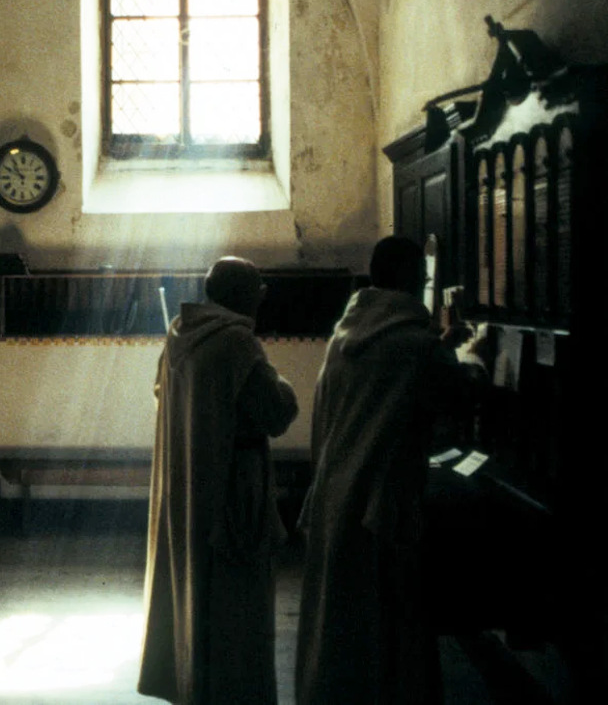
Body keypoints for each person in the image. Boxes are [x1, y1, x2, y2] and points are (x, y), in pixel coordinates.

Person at [295, 235, 487, 705]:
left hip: (335, 495)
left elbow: (386, 379)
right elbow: (461, 393)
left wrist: (437, 345)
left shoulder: (346, 336)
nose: (423, 287)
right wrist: (474, 355)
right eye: (421, 280)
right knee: (387, 632)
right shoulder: (413, 345)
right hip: (379, 507)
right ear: (404, 281)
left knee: (339, 624)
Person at [138, 256, 299, 705]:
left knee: (194, 591)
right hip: (233, 488)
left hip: (188, 480)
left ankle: (195, 684)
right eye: (259, 286)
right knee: (236, 607)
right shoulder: (236, 342)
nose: (263, 294)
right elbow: (277, 412)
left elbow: (159, 396)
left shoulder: (179, 334)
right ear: (246, 293)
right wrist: (283, 384)